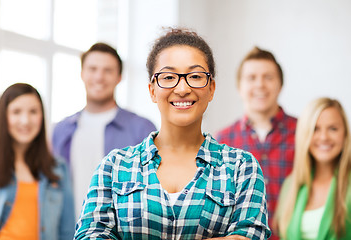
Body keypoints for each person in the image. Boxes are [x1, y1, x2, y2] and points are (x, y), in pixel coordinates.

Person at [74, 28, 270, 240]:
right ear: (152, 90)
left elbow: (250, 235)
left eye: (195, 76)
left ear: (211, 88)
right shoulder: (113, 167)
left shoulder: (241, 167)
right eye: (168, 77)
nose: (183, 88)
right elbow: (90, 235)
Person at [52, 42, 156, 218]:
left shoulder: (142, 128)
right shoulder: (61, 130)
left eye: (108, 70)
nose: (99, 77)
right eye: (92, 69)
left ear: (119, 77)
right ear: (82, 74)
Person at [215, 47, 296, 237]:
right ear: (239, 87)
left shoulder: (304, 133)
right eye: (251, 78)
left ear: (280, 84)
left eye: (268, 77)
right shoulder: (223, 140)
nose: (260, 84)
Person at [0, 83, 75, 239]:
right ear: (4, 116)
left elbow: (67, 231)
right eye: (16, 112)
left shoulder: (58, 168)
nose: (25, 121)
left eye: (33, 112)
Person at [274, 97, 351, 239]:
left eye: (333, 129)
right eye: (315, 129)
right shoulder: (291, 185)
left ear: (345, 134)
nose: (323, 137)